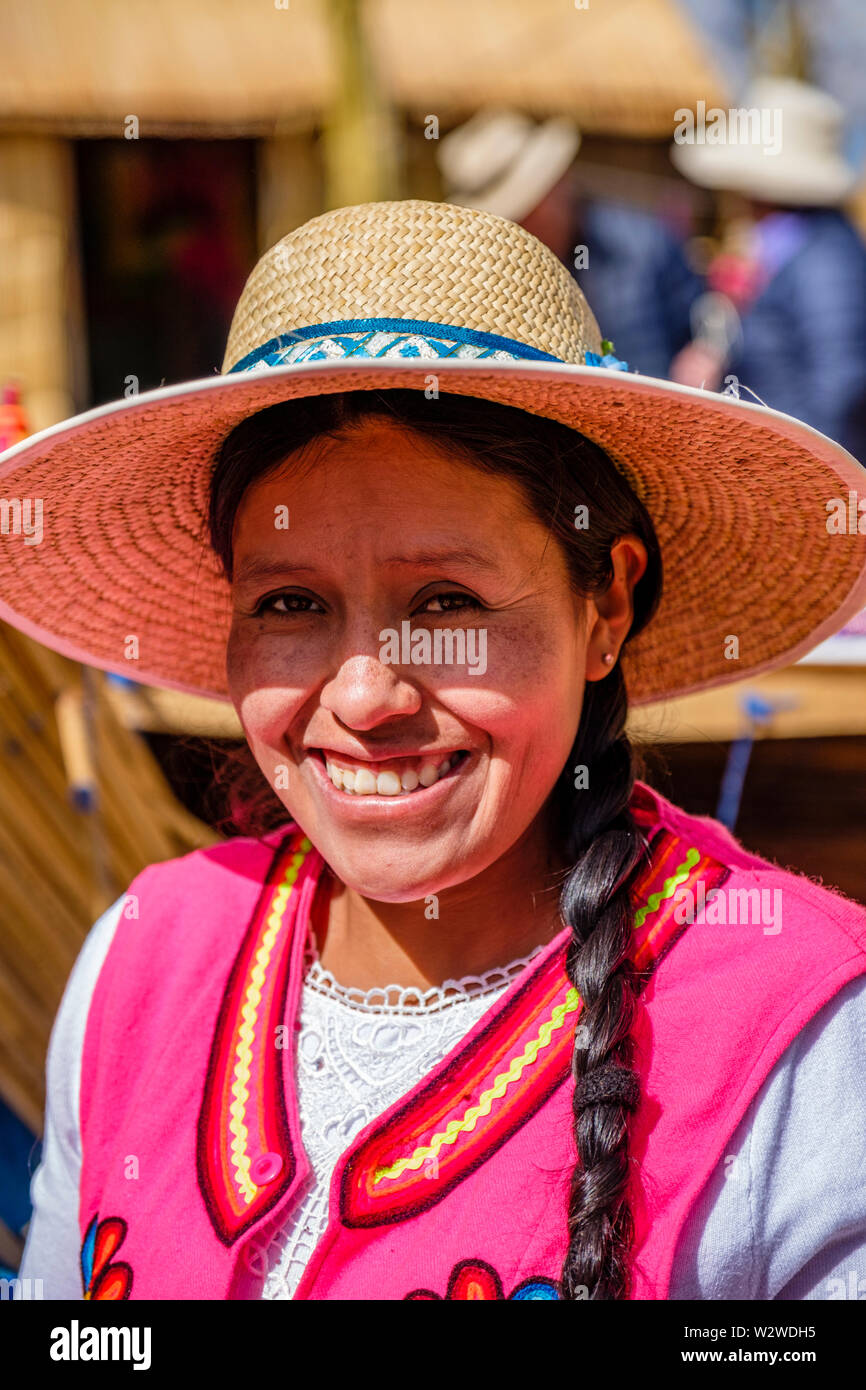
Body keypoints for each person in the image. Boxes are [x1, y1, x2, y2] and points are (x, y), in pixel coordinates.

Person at [2, 198, 866, 1301]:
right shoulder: (140, 962)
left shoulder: (801, 1034)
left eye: (447, 599)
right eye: (290, 602)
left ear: (604, 602)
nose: (363, 693)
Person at [670, 76, 866, 460]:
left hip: (806, 471)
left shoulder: (827, 258)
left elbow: (841, 383)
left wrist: (802, 468)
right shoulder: (787, 246)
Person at [439, 108, 702, 379]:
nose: (521, 230)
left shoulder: (646, 244)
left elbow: (702, 325)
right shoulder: (484, 283)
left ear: (558, 183)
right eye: (510, 221)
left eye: (527, 211)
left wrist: (706, 354)